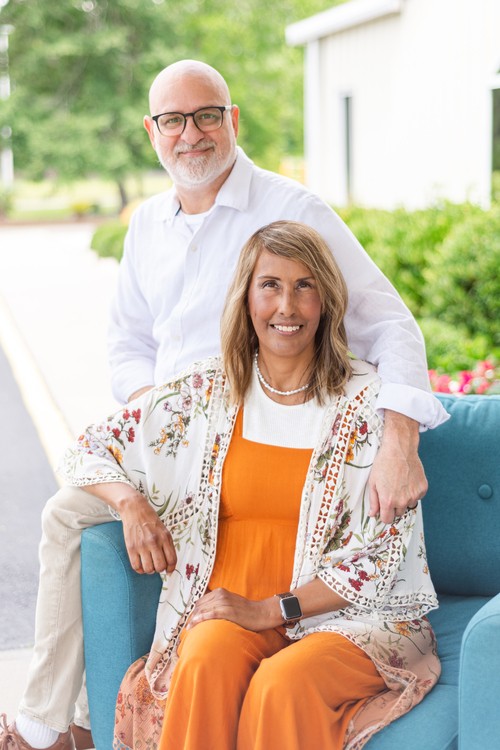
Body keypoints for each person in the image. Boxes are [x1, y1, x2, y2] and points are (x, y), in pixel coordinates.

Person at [0, 60, 447, 750]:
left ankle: (70, 723)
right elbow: (127, 346)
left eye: (207, 115)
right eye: (173, 121)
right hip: (188, 437)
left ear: (232, 120)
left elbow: (392, 324)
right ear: (152, 132)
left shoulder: (292, 212)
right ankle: (51, 723)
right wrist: (162, 431)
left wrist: (399, 439)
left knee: (266, 671)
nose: (191, 134)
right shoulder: (148, 224)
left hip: (260, 446)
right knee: (68, 512)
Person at [61, 221, 439, 749]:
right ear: (245, 297)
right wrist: (130, 505)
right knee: (204, 655)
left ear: (327, 301)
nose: (287, 306)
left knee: (280, 686)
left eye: (305, 286)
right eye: (270, 285)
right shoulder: (206, 391)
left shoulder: (370, 405)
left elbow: (380, 559)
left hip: (348, 620)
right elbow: (91, 446)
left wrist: (270, 610)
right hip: (230, 609)